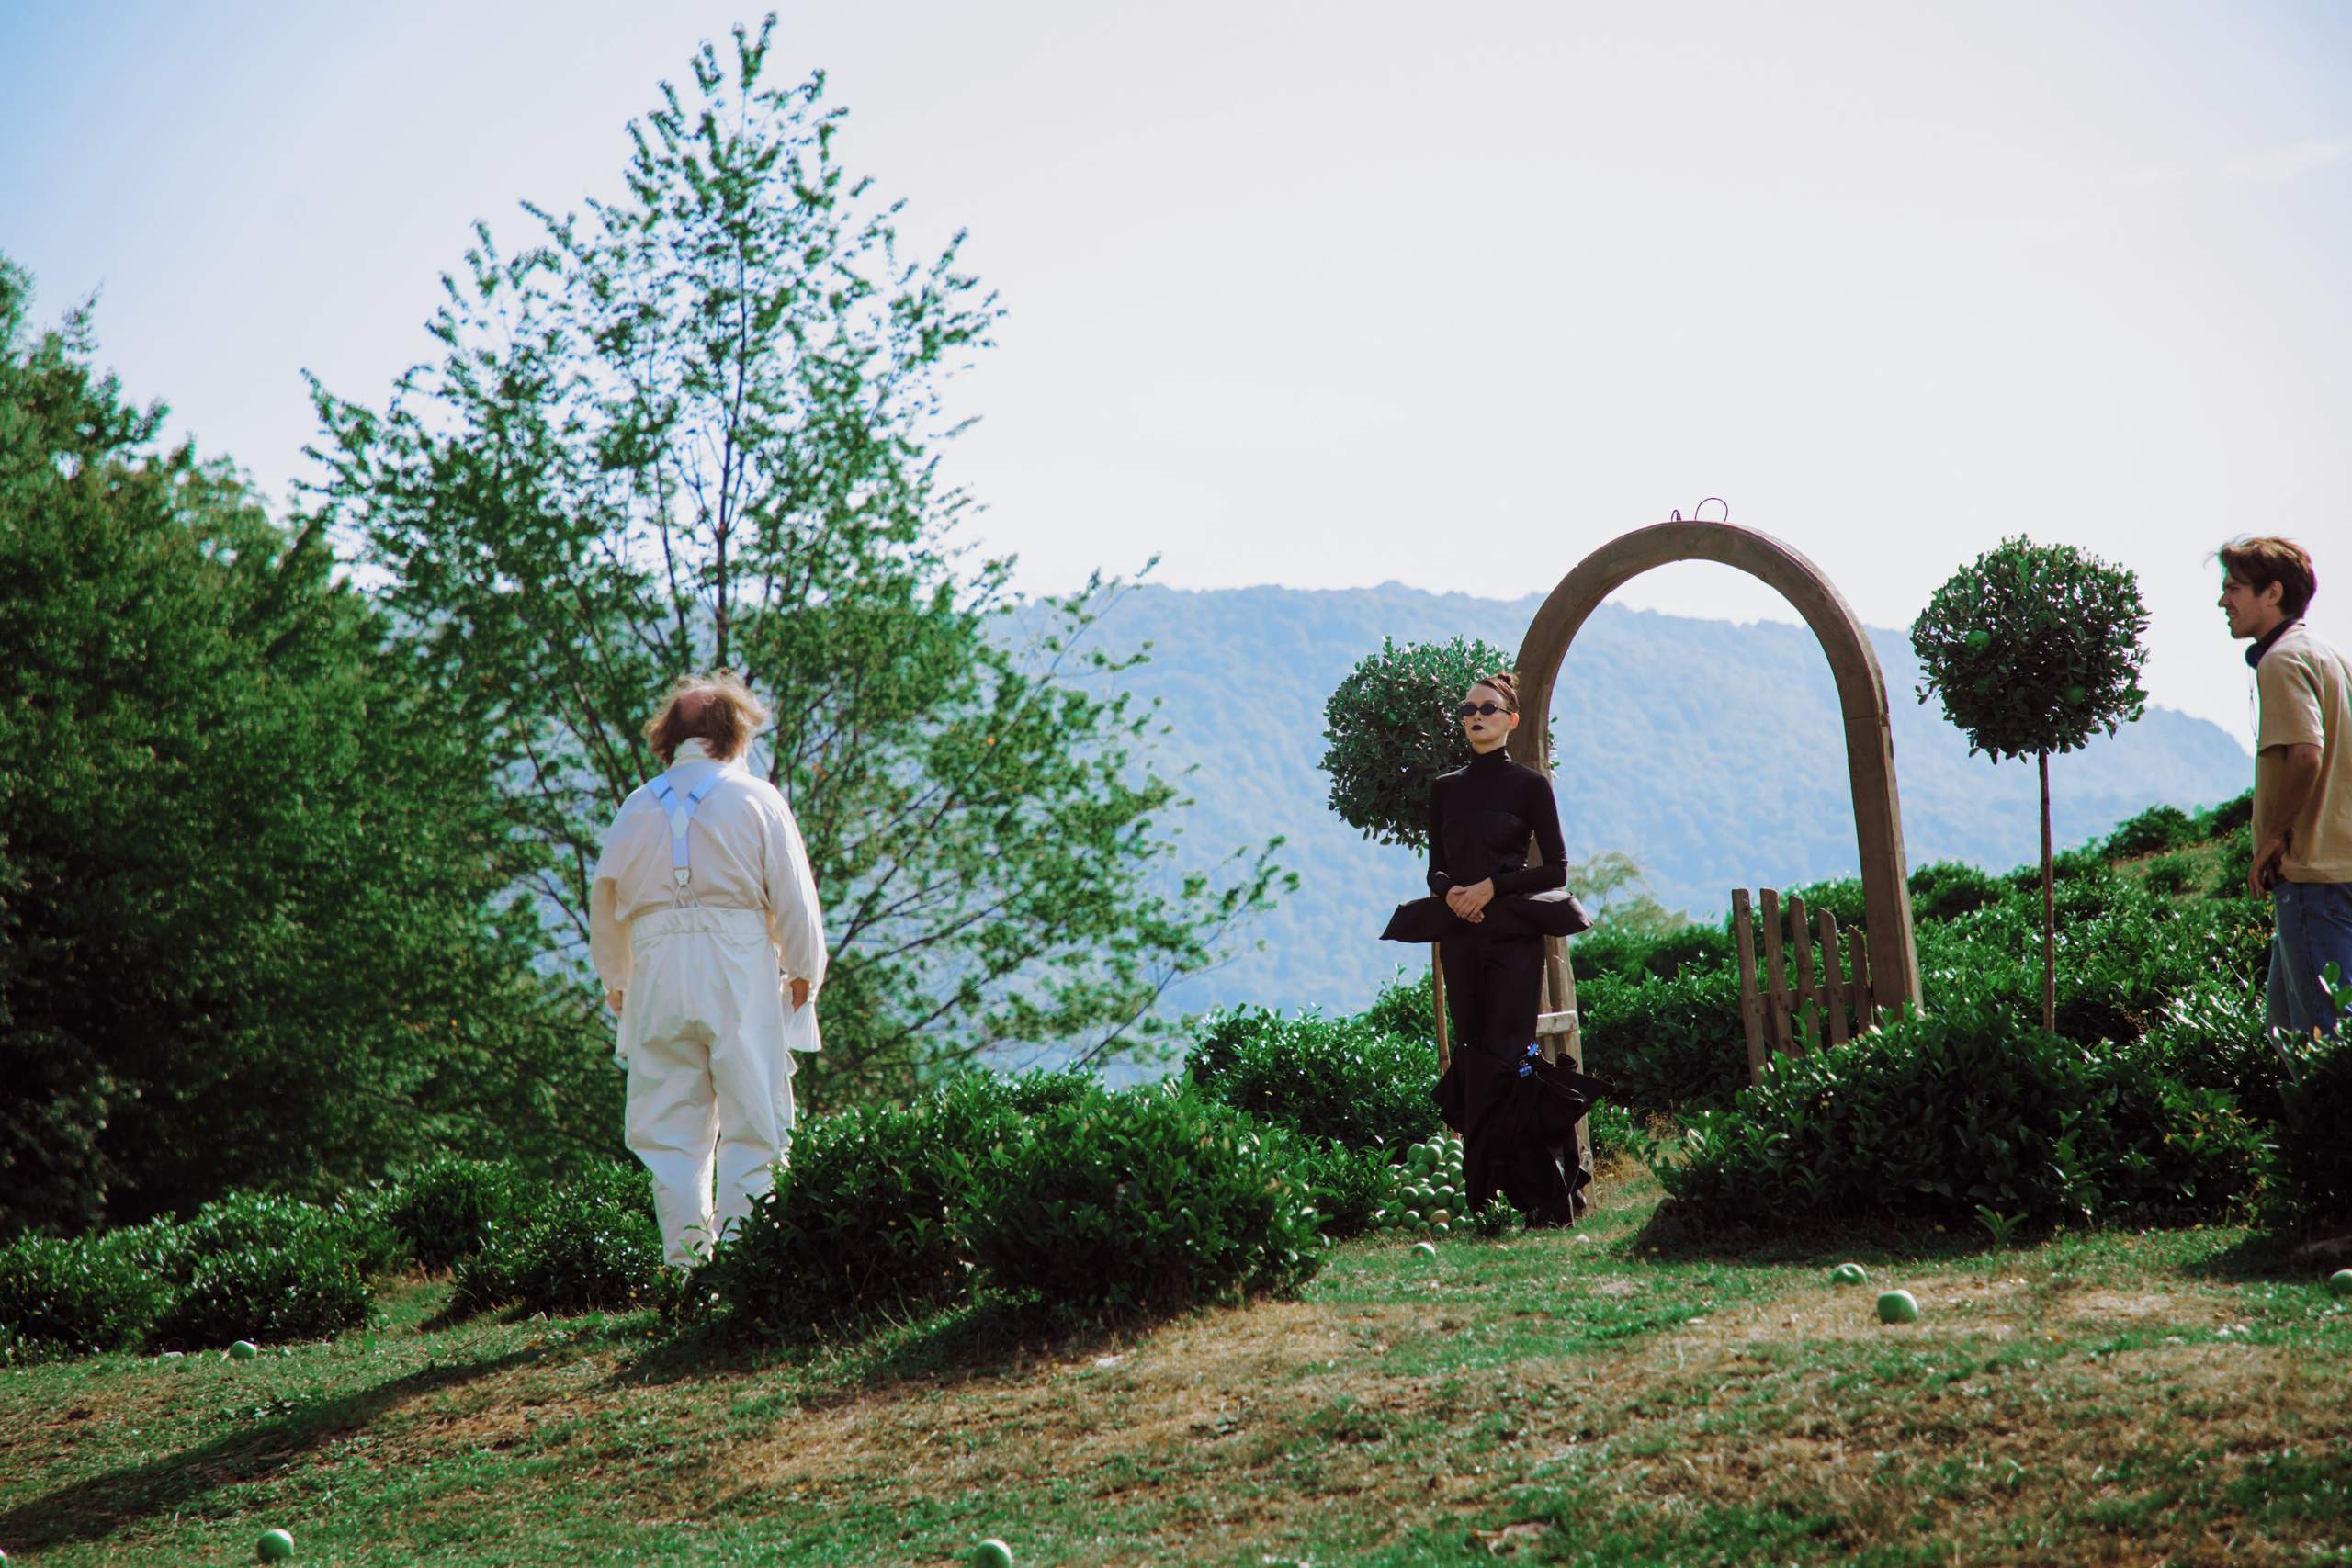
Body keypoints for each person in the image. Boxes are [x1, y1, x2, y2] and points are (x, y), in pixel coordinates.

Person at [589, 671, 828, 1267]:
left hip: (654, 970)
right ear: (735, 734)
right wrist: (804, 971)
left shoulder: (637, 805)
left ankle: (686, 1270)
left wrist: (617, 982)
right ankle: (747, 1270)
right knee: (754, 1119)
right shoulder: (757, 798)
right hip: (735, 961)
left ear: (670, 737)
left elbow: (605, 901)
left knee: (671, 1132)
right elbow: (795, 898)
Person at [1381, 672, 1602, 1226]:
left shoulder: (1530, 786)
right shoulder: (1444, 788)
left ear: (1511, 719)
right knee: (1475, 1055)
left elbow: (1555, 868)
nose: (1475, 716)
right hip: (1459, 938)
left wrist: (1492, 888)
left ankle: (1551, 1199)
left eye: (1487, 707)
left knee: (1512, 1056)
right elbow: (1435, 864)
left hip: (1512, 937)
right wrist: (1449, 892)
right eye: (1467, 709)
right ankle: (1491, 1200)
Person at [2219, 536, 2352, 1038]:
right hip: (2339, 866)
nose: (2223, 601)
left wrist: (2272, 837)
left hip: (2312, 876)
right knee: (2285, 1034)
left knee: (2325, 1042)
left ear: (2271, 593)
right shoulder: (2328, 653)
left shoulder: (2281, 661)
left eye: (2233, 588)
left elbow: (2306, 754)